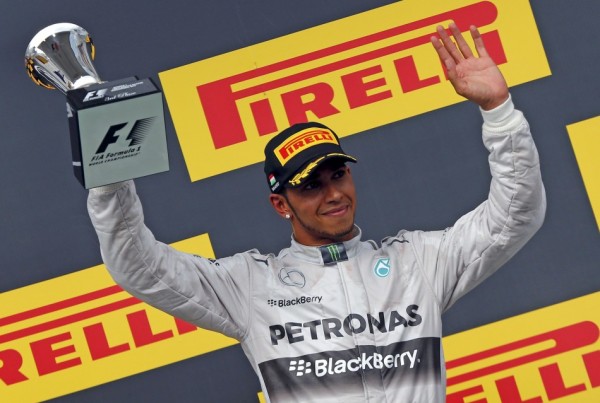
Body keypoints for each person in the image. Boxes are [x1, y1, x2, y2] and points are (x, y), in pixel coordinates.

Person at [87, 23, 546, 402]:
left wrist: (498, 112)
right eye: (310, 186)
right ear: (280, 204)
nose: (333, 194)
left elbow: (515, 215)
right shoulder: (249, 286)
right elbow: (139, 264)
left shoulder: (417, 263)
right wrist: (111, 171)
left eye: (338, 175)